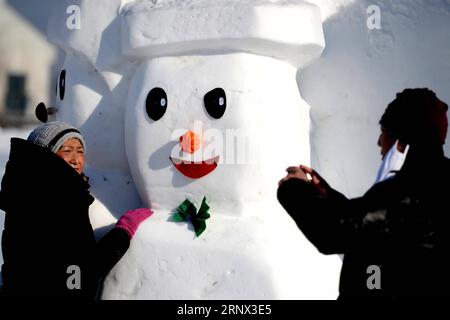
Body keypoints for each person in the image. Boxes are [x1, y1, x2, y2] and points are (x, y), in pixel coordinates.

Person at [277, 88, 450, 299]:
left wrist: (294, 189)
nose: (379, 143)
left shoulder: (408, 190)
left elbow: (334, 233)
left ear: (401, 142)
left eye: (384, 133)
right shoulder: (435, 180)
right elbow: (367, 225)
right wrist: (329, 196)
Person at [0, 121, 152, 299]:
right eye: (66, 150)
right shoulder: (60, 201)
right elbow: (82, 270)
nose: (75, 159)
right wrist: (122, 233)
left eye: (80, 151)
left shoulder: (28, 191)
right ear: (45, 154)